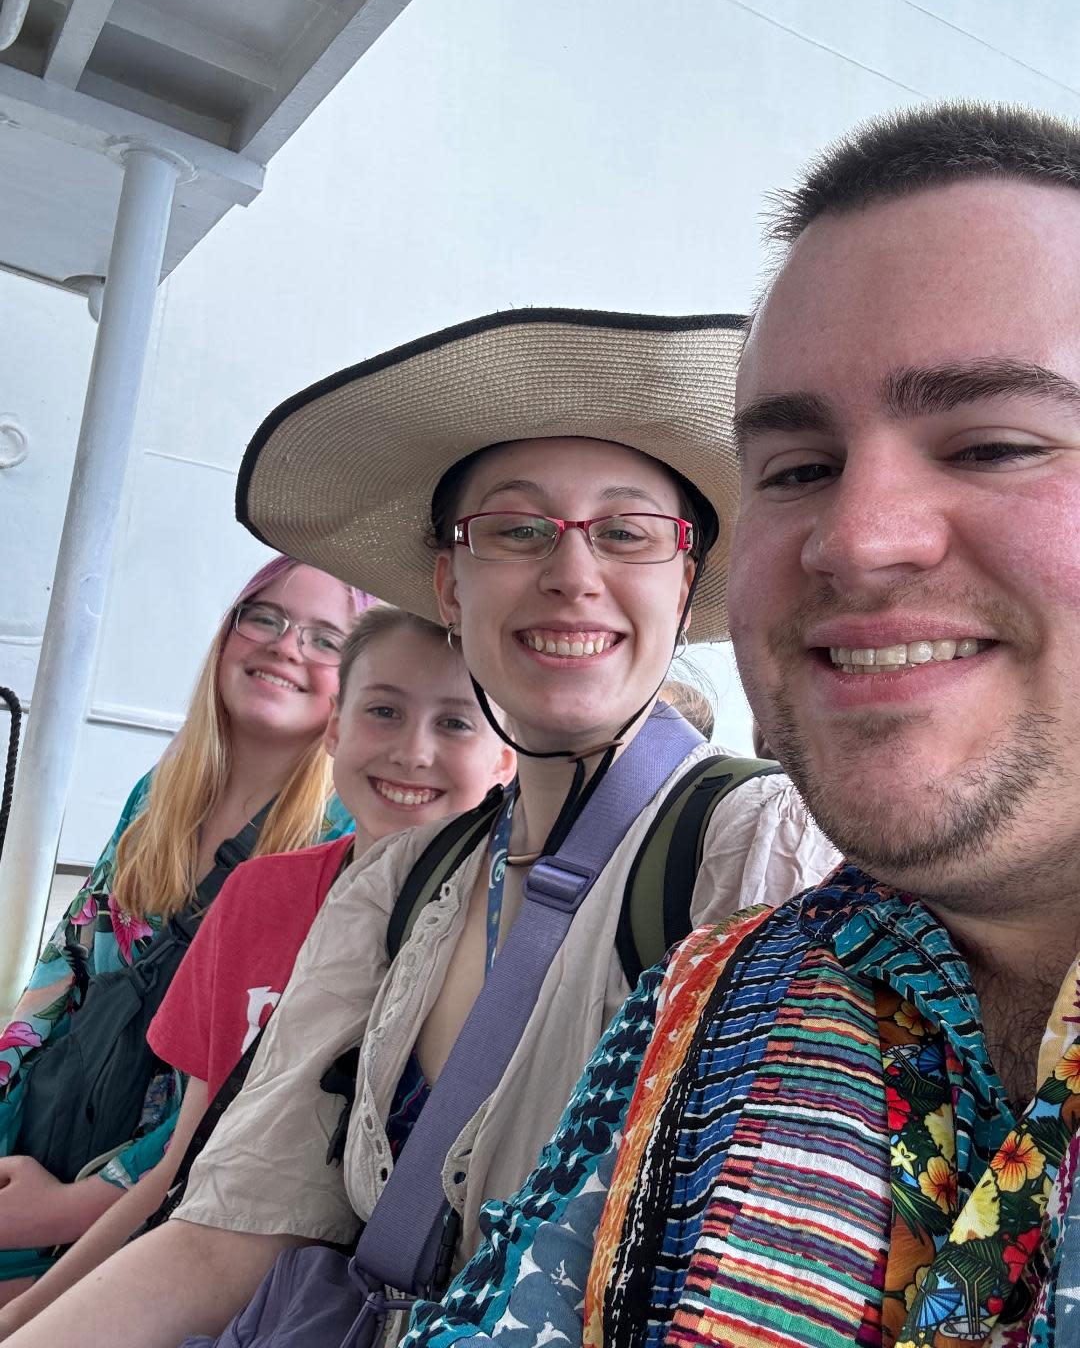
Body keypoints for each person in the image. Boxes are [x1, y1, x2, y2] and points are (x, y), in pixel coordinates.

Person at [4, 308, 838, 1348]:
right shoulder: (401, 879)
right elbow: (226, 1233)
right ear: (450, 582)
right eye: (516, 528)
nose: (572, 572)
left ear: (684, 578)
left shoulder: (752, 845)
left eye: (624, 532)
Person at [399, 101, 1080, 1348]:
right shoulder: (708, 1000)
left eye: (991, 445)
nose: (859, 538)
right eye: (799, 469)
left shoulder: (723, 850)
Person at [0, 605, 515, 1338]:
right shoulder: (258, 894)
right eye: (383, 711)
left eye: (456, 724)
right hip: (196, 1277)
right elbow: (176, 1171)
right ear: (335, 728)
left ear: (506, 758)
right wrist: (31, 1312)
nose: (413, 751)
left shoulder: (509, 935)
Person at [0, 556, 367, 1302]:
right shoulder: (157, 795)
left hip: (148, 1214)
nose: (286, 646)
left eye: (326, 639)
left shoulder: (342, 845)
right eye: (264, 618)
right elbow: (60, 974)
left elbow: (252, 1087)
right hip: (46, 1130)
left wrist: (65, 1208)